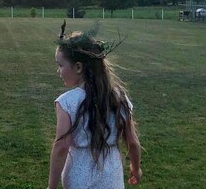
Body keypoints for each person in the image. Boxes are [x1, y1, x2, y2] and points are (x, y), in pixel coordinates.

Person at [47, 21, 142, 189]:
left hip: (78, 179)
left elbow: (61, 146)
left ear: (78, 67)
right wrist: (135, 169)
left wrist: (51, 186)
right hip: (111, 178)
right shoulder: (118, 97)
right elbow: (132, 142)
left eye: (60, 65)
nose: (58, 71)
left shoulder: (67, 102)